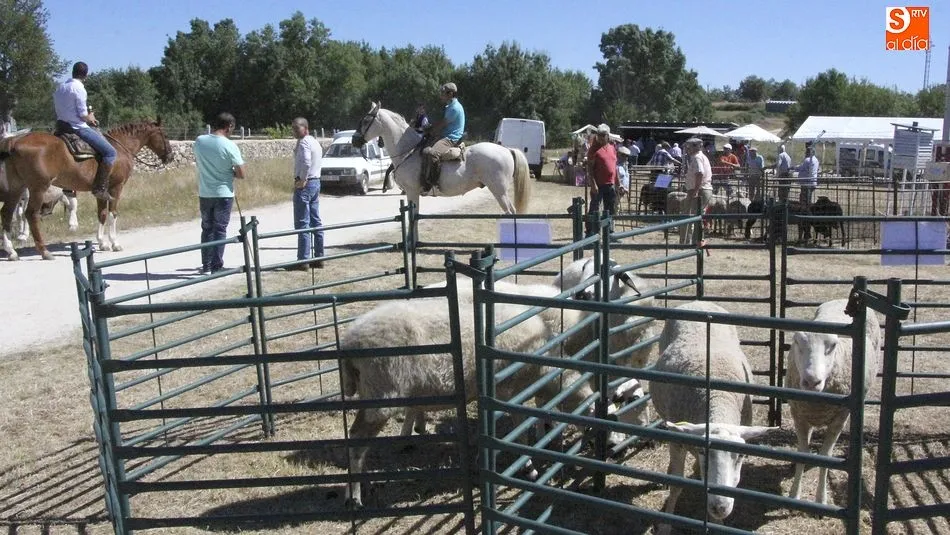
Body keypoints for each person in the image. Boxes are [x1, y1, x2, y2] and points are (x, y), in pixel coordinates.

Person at [53, 62, 118, 201]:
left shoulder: (60, 87)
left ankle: (68, 186)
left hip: (60, 127)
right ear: (85, 75)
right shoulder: (79, 88)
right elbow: (83, 115)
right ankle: (100, 188)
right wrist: (91, 117)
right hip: (77, 128)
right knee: (110, 152)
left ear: (73, 72)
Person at [195, 112, 246, 275]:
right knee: (220, 229)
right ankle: (217, 265)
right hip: (223, 192)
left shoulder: (199, 141)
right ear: (229, 126)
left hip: (205, 191)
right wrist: (229, 172)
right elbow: (241, 173)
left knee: (206, 228)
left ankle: (206, 265)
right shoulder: (230, 146)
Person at [288, 117, 324, 271]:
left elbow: (307, 162)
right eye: (293, 128)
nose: (295, 131)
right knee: (315, 220)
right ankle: (319, 257)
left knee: (303, 222)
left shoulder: (304, 142)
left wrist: (302, 179)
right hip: (316, 181)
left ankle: (303, 260)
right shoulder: (314, 141)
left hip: (306, 183)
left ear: (306, 128)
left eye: (297, 128)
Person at [421, 82, 465, 193]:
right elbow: (442, 123)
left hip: (451, 138)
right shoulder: (449, 106)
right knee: (424, 148)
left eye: (443, 93)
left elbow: (443, 124)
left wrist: (430, 130)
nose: (441, 95)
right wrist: (430, 128)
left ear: (450, 94)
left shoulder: (454, 108)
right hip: (446, 134)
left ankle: (434, 184)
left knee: (432, 153)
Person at [680, 137, 713, 245]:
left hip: (698, 190)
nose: (687, 148)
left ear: (695, 146)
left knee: (690, 216)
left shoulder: (697, 157)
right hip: (703, 189)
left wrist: (695, 191)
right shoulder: (702, 157)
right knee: (697, 216)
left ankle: (686, 243)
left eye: (688, 146)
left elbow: (699, 173)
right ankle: (696, 241)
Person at [586, 123, 618, 232]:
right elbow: (589, 168)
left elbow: (614, 166)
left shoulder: (612, 148)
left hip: (610, 183)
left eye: (602, 135)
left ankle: (609, 232)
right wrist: (593, 184)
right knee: (594, 208)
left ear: (607, 136)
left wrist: (619, 183)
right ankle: (590, 232)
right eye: (598, 135)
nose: (600, 137)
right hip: (598, 184)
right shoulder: (593, 150)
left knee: (610, 209)